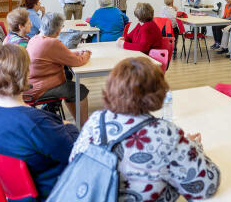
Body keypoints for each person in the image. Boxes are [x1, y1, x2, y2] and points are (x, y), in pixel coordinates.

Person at [70, 57, 221, 201]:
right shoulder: (164, 134)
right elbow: (206, 185)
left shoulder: (96, 120)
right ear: (158, 90)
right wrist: (194, 148)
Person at [0, 44, 79, 200]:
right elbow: (76, 151)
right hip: (51, 189)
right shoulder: (34, 124)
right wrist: (68, 126)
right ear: (23, 75)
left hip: (8, 185)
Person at [27, 12, 91, 127]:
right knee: (80, 90)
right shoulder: (52, 43)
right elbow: (78, 62)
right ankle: (84, 127)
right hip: (41, 89)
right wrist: (86, 54)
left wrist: (76, 53)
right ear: (57, 30)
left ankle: (78, 122)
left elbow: (59, 54)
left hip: (31, 85)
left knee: (71, 86)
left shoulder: (35, 38)